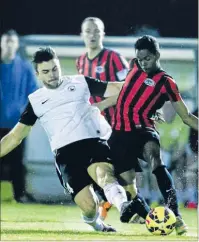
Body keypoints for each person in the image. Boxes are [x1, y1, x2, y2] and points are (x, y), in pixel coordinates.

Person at [0, 47, 150, 232]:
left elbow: (115, 88)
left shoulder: (80, 82)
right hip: (65, 155)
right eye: (46, 71)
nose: (52, 75)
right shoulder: (35, 100)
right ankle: (95, 222)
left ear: (59, 66)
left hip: (93, 142)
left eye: (55, 69)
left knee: (105, 175)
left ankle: (123, 206)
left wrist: (143, 82)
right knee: (89, 206)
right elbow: (16, 136)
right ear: (38, 74)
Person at [101, 35, 198, 235]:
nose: (143, 63)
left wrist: (150, 110)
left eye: (147, 58)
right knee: (130, 186)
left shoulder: (166, 82)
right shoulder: (133, 65)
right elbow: (127, 94)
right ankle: (150, 218)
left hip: (143, 130)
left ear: (157, 55)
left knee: (156, 163)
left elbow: (187, 116)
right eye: (140, 58)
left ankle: (177, 216)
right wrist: (98, 106)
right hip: (119, 134)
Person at [76, 17, 130, 220]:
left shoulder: (114, 58)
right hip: (92, 127)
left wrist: (102, 105)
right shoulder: (80, 61)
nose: (92, 35)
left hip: (116, 124)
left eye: (96, 31)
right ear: (82, 35)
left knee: (124, 172)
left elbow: (128, 89)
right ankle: (107, 205)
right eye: (88, 31)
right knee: (93, 167)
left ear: (103, 33)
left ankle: (133, 206)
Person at [0, 29, 38, 203]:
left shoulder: (25, 68)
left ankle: (20, 195)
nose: (8, 45)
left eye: (12, 42)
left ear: (16, 44)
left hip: (17, 124)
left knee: (18, 162)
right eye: (6, 41)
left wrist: (28, 118)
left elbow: (33, 93)